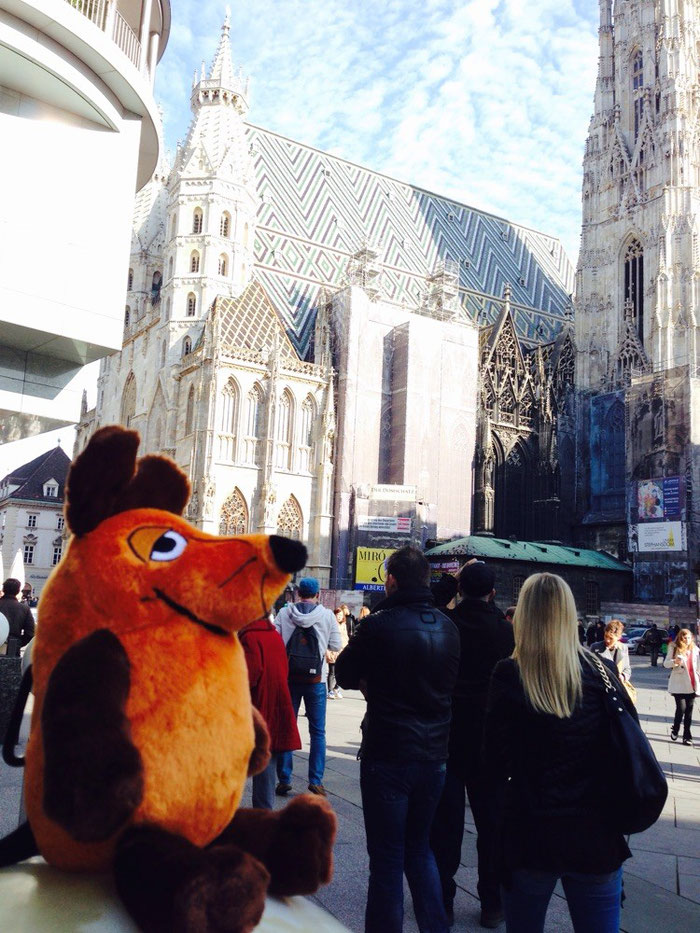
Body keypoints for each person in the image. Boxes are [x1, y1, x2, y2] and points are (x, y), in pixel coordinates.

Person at [483, 573, 637, 933]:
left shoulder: (510, 674)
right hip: (595, 835)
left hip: (531, 835)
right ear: (570, 616)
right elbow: (626, 745)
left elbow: (491, 764)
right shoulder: (603, 671)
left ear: (525, 615)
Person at [335, 546, 459, 933]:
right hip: (434, 754)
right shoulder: (448, 628)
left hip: (388, 752)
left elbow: (343, 672)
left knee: (387, 857)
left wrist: (373, 682)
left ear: (391, 580)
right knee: (420, 850)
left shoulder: (380, 624)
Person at [431, 560, 514, 929]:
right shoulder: (505, 631)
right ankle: (491, 903)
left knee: (446, 826)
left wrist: (450, 581)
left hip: (448, 736)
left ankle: (444, 902)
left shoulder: (446, 624)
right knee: (492, 826)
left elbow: (428, 604)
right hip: (492, 741)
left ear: (461, 590)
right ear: (493, 593)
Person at [273, 576, 341, 796]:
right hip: (316, 681)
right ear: (317, 595)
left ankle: (284, 778)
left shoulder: (284, 613)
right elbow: (336, 645)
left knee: (287, 727)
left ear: (298, 593)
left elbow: (275, 641)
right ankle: (316, 780)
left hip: (289, 679)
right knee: (318, 732)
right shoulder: (327, 615)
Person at [238, 615, 301, 808]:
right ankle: (264, 815)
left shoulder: (249, 637)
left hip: (256, 710)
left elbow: (249, 676)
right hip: (276, 707)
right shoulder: (274, 635)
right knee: (266, 767)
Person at [664, 628, 700, 746]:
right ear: (680, 638)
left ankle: (687, 736)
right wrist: (675, 661)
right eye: (684, 638)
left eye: (689, 638)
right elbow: (666, 663)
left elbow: (698, 666)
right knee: (681, 708)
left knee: (689, 711)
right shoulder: (674, 647)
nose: (687, 640)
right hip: (679, 684)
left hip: (692, 683)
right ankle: (676, 728)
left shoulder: (695, 649)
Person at [0, 578, 35, 658]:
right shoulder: (24, 608)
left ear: (3, 589)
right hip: (13, 647)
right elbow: (30, 632)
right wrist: (18, 643)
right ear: (18, 591)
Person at [327, 607, 349, 699]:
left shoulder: (343, 625)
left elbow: (346, 637)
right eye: (337, 615)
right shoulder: (331, 625)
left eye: (341, 615)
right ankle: (330, 690)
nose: (339, 617)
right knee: (332, 671)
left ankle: (337, 688)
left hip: (342, 651)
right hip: (333, 651)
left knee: (341, 671)